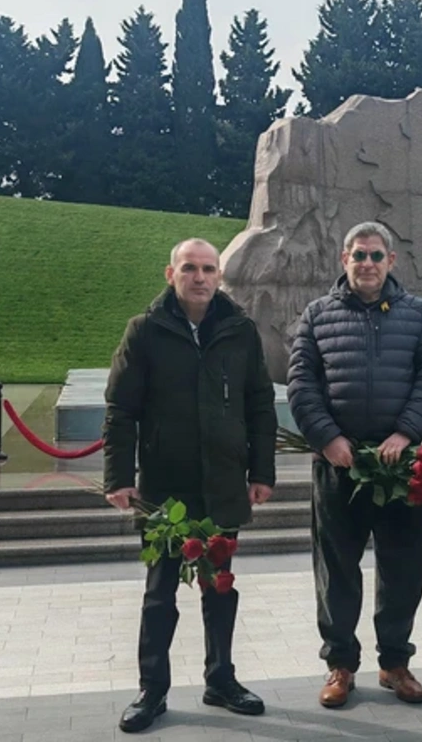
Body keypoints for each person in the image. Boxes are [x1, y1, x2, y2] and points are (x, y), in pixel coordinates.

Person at [102, 239, 278, 733]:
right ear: (170, 274)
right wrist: (119, 478)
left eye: (208, 269)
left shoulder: (240, 331)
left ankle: (221, 679)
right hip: (164, 488)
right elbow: (121, 411)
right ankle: (152, 690)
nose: (200, 278)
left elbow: (260, 405)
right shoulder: (145, 331)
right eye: (190, 268)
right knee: (160, 593)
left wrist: (261, 472)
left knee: (219, 587)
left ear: (220, 275)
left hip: (222, 483)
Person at [286, 221, 422, 709]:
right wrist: (329, 439)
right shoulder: (317, 315)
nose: (368, 264)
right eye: (359, 255)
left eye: (377, 256)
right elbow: (301, 383)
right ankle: (341, 664)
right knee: (336, 569)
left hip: (399, 467)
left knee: (403, 566)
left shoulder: (416, 314)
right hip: (339, 466)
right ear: (344, 260)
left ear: (392, 261)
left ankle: (395, 662)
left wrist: (406, 433)